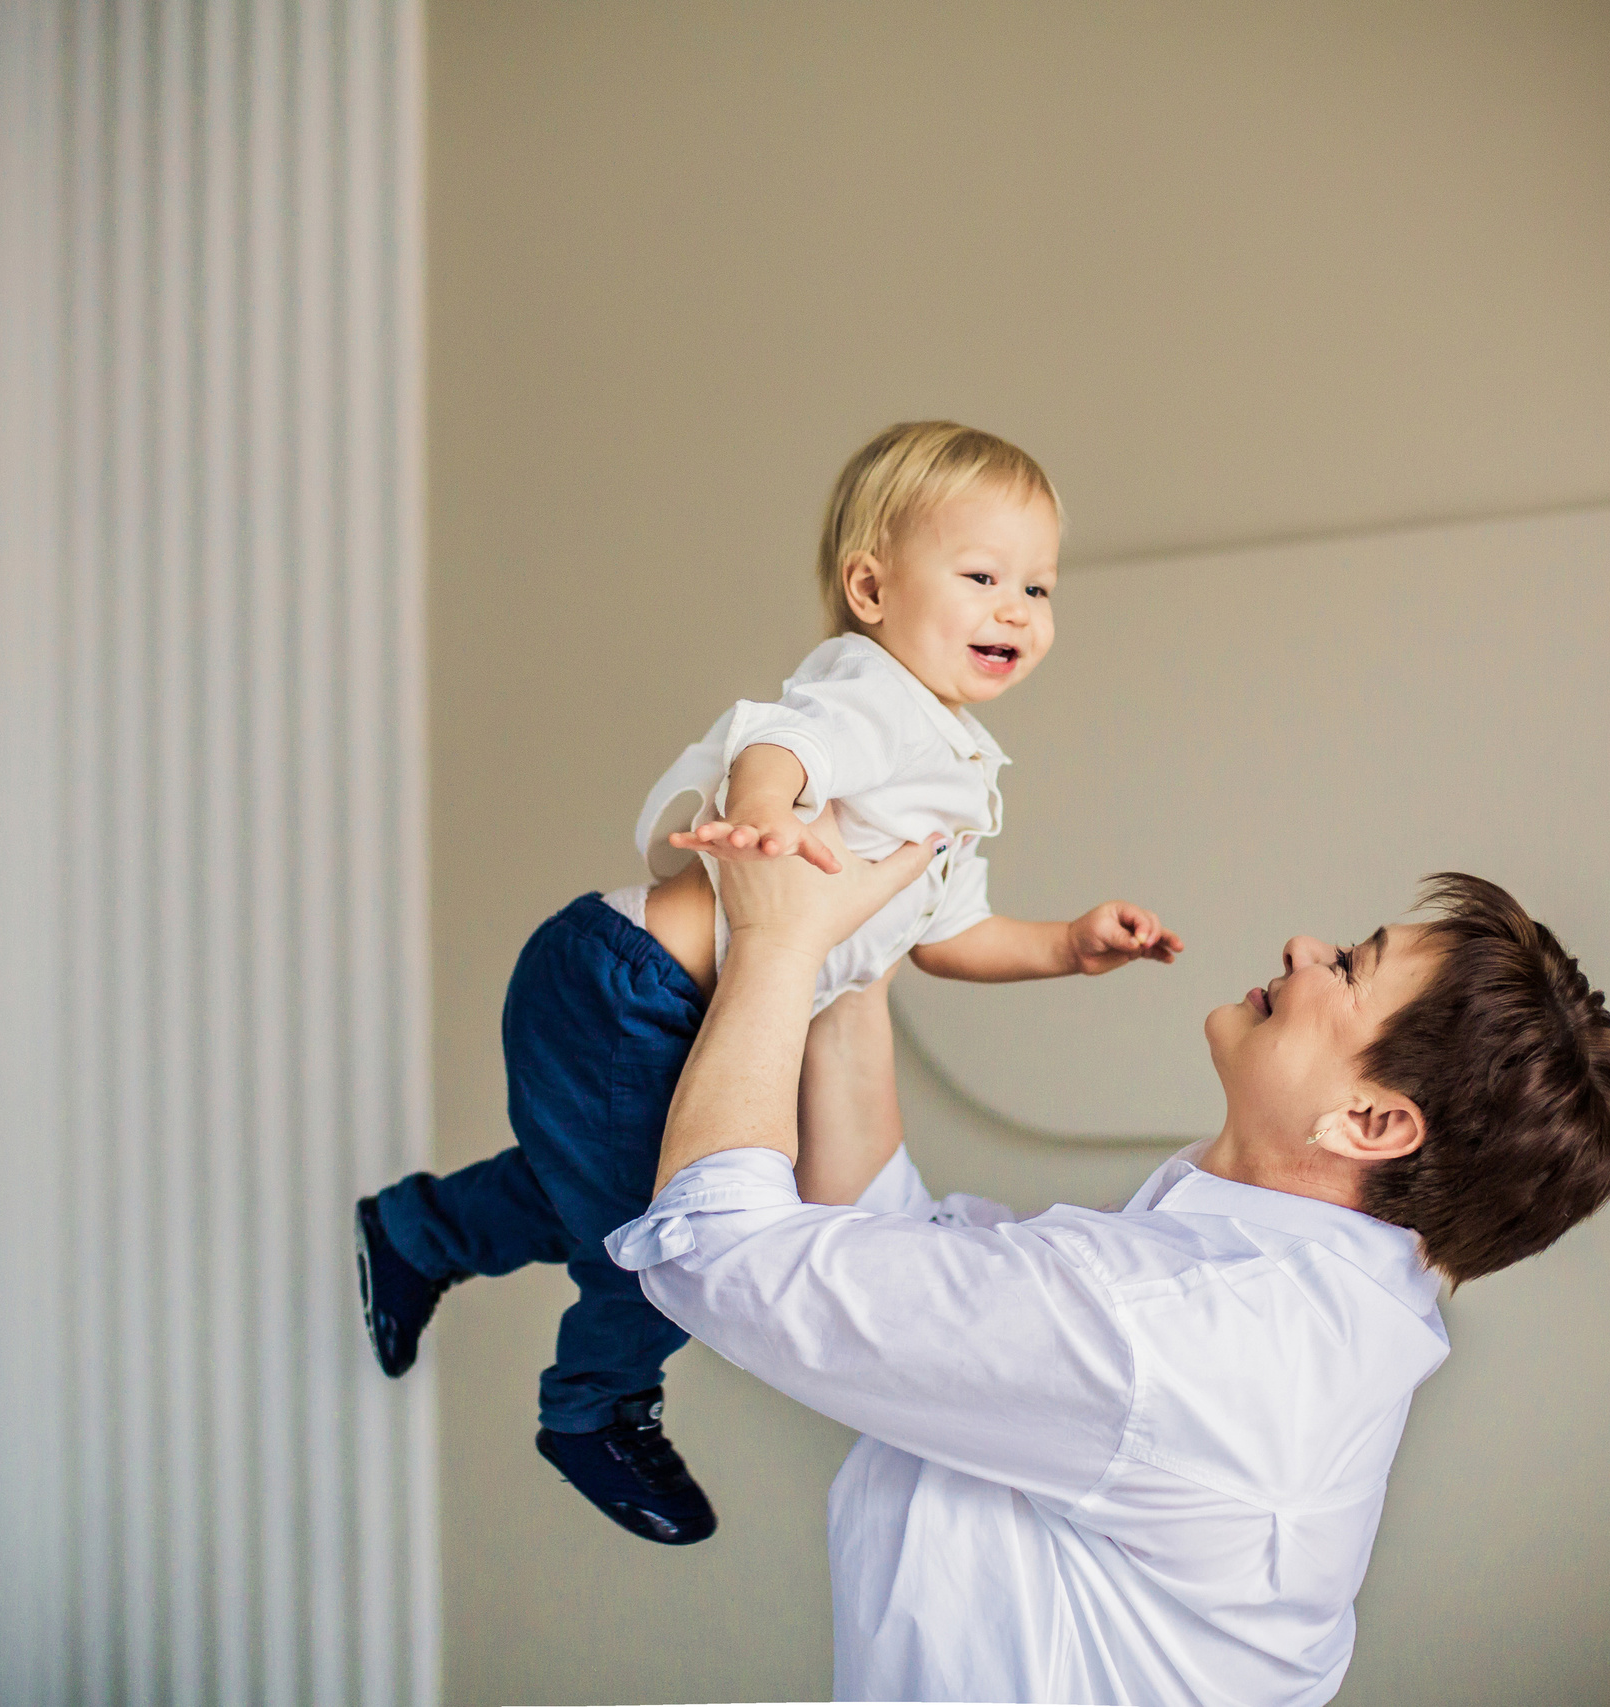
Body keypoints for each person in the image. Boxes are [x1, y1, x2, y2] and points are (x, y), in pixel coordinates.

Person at [353, 422, 1183, 1545]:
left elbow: (943, 936)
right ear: (871, 587)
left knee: (588, 1193)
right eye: (981, 576)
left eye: (1037, 585)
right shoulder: (871, 690)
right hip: (626, 988)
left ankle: (418, 1233)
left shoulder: (954, 770)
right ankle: (590, 1410)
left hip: (663, 1004)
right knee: (662, 1239)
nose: (1017, 609)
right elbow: (787, 740)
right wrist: (764, 813)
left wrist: (1064, 945)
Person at [606, 844, 1610, 1706]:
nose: (1303, 947)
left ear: (1370, 1123)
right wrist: (857, 958)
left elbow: (720, 1255)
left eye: (1350, 966)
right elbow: (906, 1263)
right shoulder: (1282, 1298)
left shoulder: (1179, 1335)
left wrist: (779, 942)